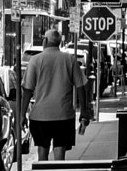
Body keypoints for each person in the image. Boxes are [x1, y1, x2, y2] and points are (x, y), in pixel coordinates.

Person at [20, 27, 88, 159]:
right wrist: (84, 111)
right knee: (60, 151)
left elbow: (28, 90)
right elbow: (81, 87)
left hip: (40, 115)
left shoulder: (35, 60)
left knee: (42, 150)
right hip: (64, 115)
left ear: (45, 41)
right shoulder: (70, 59)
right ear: (59, 43)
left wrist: (22, 114)